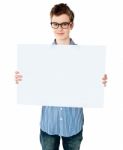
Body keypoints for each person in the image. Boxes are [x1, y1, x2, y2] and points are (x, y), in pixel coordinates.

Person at [15, 3, 108, 150]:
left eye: (64, 24)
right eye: (55, 24)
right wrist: (22, 80)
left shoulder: (86, 57)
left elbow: (90, 86)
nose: (59, 28)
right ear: (51, 25)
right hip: (49, 123)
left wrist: (98, 81)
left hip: (73, 123)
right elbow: (33, 84)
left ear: (71, 25)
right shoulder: (39, 57)